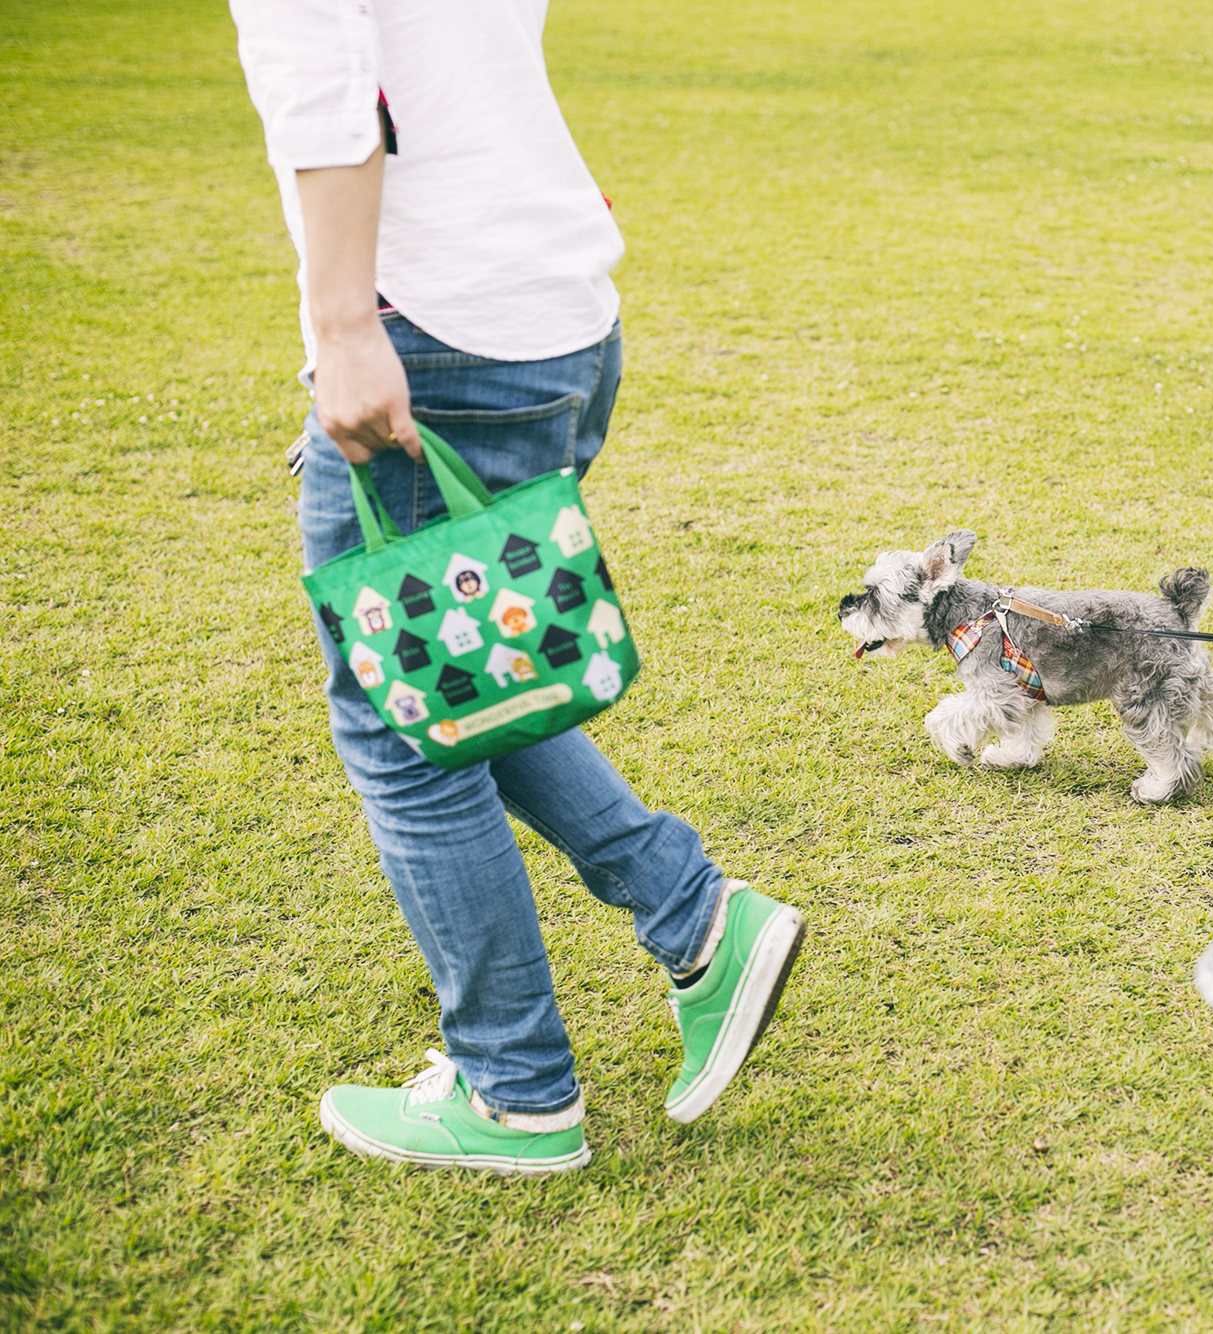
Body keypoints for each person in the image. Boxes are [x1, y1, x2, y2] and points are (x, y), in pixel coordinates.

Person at [231, 0, 805, 1175]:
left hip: (432, 329)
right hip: (547, 308)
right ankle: (693, 915)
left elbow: (329, 91)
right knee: (458, 675)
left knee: (399, 725)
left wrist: (341, 325)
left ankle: (515, 1090)